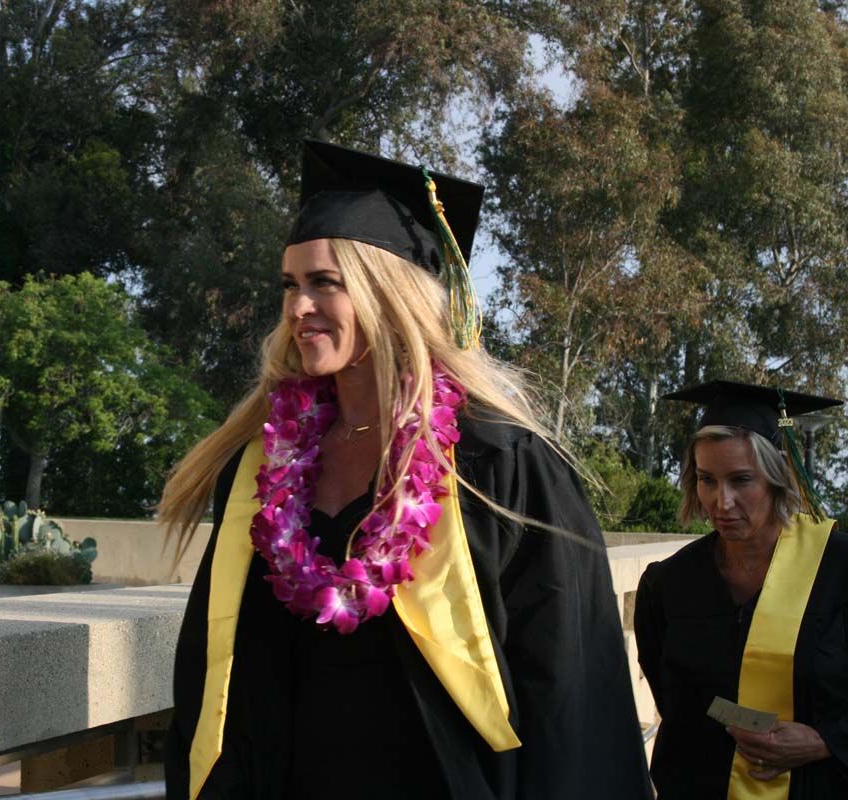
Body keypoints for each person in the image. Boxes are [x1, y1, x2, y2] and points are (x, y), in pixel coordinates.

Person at [159, 139, 652, 800]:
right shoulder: (263, 463)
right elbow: (216, 668)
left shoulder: (496, 461)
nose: (297, 307)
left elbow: (567, 687)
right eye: (289, 285)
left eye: (323, 284)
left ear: (387, 294)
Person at [635, 380, 848, 799]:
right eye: (707, 480)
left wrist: (826, 740)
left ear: (778, 477)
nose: (722, 502)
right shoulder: (672, 583)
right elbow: (676, 702)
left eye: (741, 480)